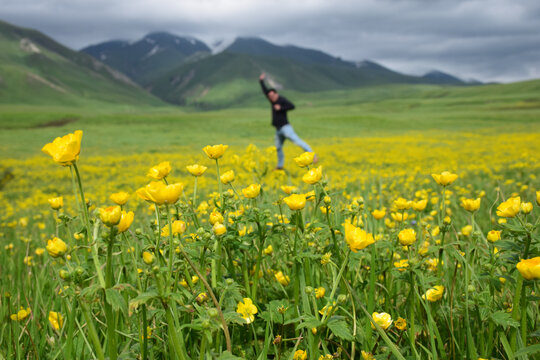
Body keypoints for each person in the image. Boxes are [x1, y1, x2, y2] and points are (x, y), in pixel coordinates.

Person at [259, 73, 317, 170]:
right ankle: (280, 166)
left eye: (272, 95)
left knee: (297, 141)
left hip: (285, 127)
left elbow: (292, 106)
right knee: (278, 148)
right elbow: (265, 91)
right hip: (278, 129)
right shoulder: (272, 101)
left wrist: (281, 108)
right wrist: (261, 81)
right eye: (269, 96)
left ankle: (312, 155)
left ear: (276, 94)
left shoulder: (282, 100)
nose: (271, 97)